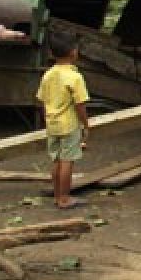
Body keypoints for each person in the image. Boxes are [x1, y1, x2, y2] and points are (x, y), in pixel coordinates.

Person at [35, 30, 90, 209]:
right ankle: (65, 198)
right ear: (74, 52)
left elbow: (42, 101)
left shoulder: (48, 74)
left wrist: (46, 120)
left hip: (52, 125)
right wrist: (86, 124)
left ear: (52, 53)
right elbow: (80, 105)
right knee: (67, 162)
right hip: (69, 125)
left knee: (57, 161)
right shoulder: (75, 77)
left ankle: (57, 195)